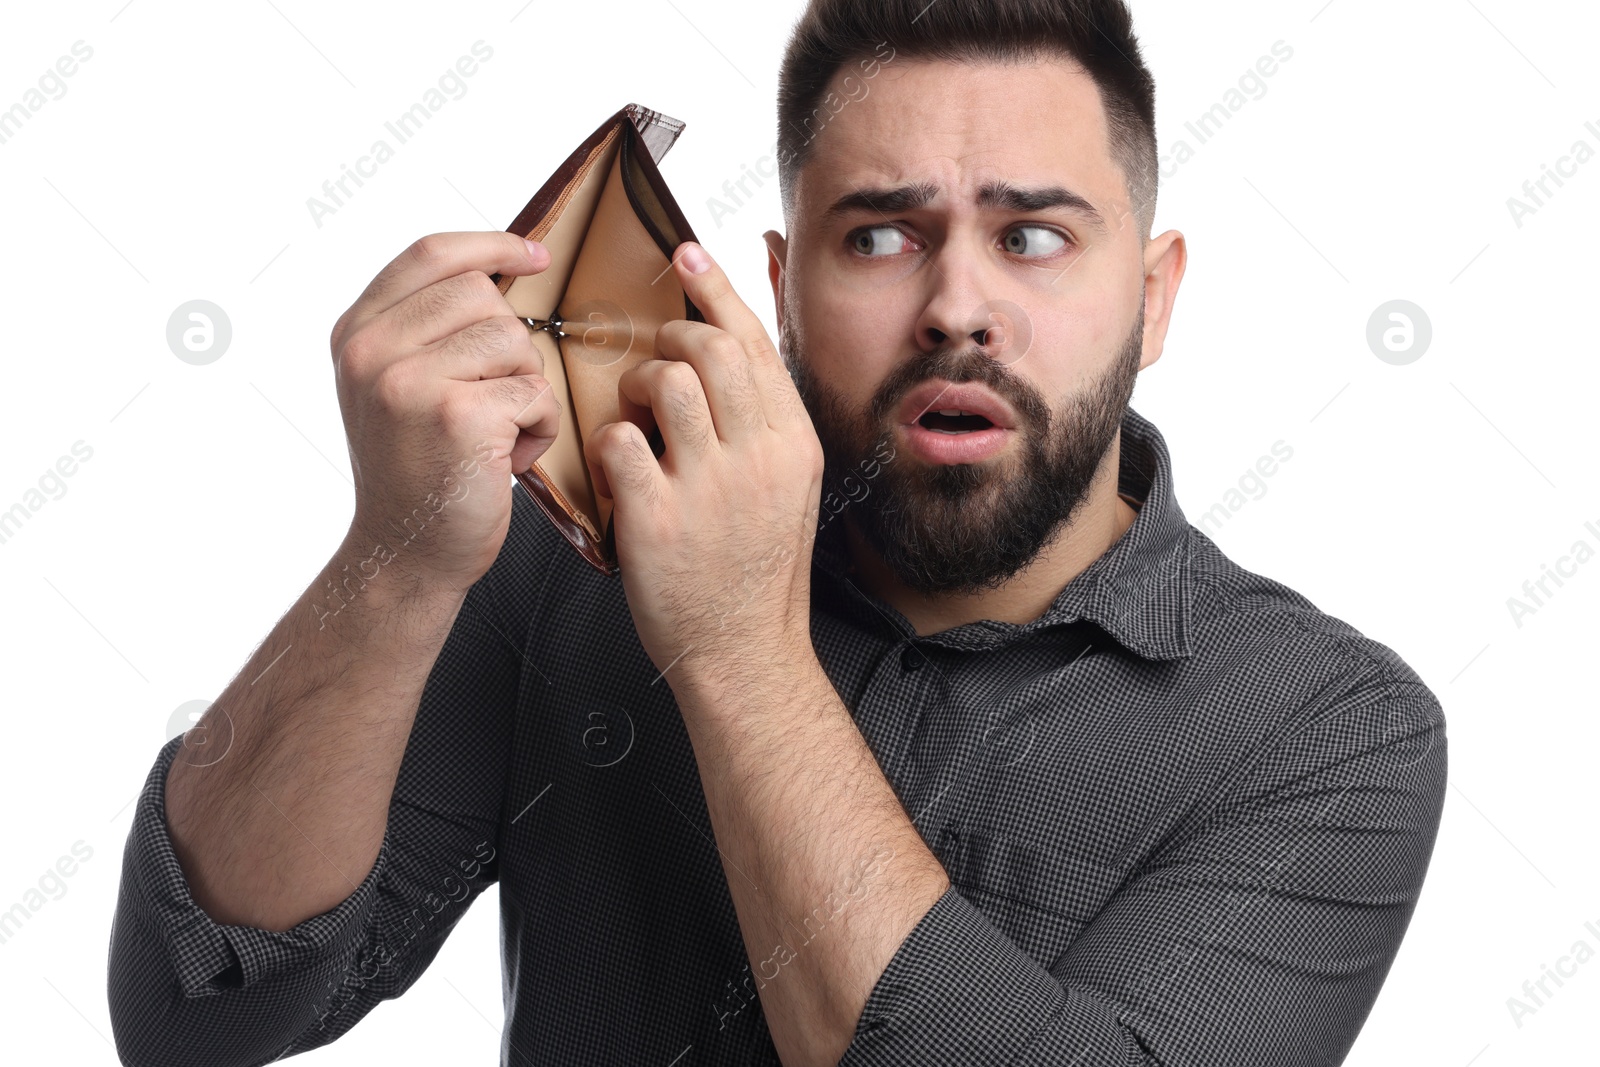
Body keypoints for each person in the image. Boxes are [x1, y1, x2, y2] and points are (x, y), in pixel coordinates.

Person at [107, 1, 1447, 1064]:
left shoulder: (1332, 728)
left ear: (1152, 298)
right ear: (779, 288)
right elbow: (197, 1010)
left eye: (1035, 237)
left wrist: (735, 645)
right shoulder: (558, 567)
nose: (956, 309)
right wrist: (396, 562)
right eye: (878, 238)